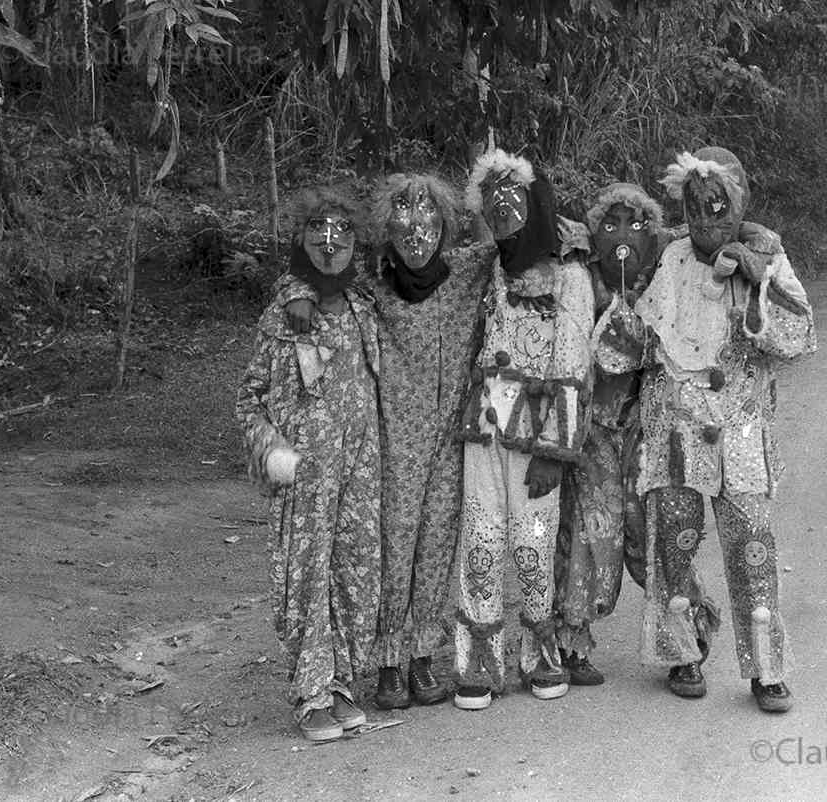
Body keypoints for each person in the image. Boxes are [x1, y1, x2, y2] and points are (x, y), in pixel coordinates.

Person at [603, 146, 816, 712]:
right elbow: (624, 351)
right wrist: (622, 301)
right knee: (674, 544)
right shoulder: (670, 260)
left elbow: (798, 340)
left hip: (742, 437)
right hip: (675, 431)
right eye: (697, 211)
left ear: (739, 204)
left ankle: (766, 669)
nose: (708, 222)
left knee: (752, 550)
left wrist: (757, 285)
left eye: (719, 210)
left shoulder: (768, 256)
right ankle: (683, 652)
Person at [280, 174, 498, 709]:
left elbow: (529, 243)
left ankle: (423, 657)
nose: (417, 231)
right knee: (394, 548)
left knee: (436, 545)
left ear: (445, 224)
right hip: (392, 444)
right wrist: (294, 292)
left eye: (428, 219)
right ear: (385, 227)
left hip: (450, 439)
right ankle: (390, 662)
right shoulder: (373, 288)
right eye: (403, 219)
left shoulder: (467, 271)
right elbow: (319, 276)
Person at [235, 186, 381, 742]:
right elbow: (248, 397)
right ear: (300, 237)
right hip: (304, 477)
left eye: (342, 230)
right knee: (305, 579)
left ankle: (341, 681)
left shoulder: (363, 309)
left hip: (359, 473)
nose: (330, 241)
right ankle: (310, 691)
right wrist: (273, 454)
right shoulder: (285, 314)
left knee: (354, 573)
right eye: (318, 228)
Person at [451, 148, 595, 710]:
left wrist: (554, 452)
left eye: (515, 197)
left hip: (537, 433)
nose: (505, 209)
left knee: (533, 544)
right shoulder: (489, 266)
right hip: (485, 424)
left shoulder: (570, 276)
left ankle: (539, 651)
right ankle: (479, 659)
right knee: (481, 541)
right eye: (494, 201)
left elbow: (574, 365)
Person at [551, 182, 668, 686]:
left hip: (644, 429)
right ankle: (570, 639)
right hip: (594, 431)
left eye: (636, 224)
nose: (623, 235)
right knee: (588, 533)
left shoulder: (664, 276)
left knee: (656, 534)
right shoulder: (579, 279)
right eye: (611, 223)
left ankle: (683, 638)